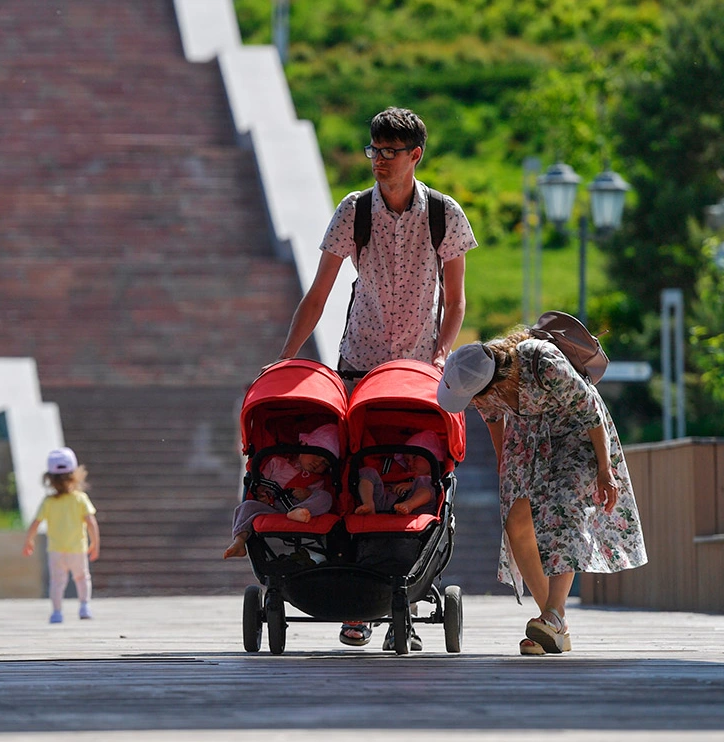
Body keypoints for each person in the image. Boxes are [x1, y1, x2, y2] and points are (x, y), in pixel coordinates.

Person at [276, 106, 479, 647]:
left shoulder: (444, 214)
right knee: (351, 477)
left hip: (415, 373)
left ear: (416, 155)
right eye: (374, 150)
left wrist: (440, 355)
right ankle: (355, 604)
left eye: (390, 153)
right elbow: (318, 294)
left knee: (415, 474)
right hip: (359, 367)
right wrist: (285, 359)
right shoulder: (354, 211)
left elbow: (456, 302)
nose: (379, 161)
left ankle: (403, 599)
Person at [437, 331, 647, 655]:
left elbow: (590, 411)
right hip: (527, 437)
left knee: (562, 512)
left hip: (576, 435)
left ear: (490, 384)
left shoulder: (542, 362)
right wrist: (501, 462)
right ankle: (553, 622)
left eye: (473, 399)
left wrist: (605, 471)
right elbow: (493, 417)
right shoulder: (485, 387)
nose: (473, 405)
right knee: (516, 522)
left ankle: (551, 616)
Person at [223, 423, 340, 559]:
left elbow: (318, 500)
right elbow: (261, 484)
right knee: (246, 507)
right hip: (272, 506)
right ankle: (239, 540)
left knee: (326, 497)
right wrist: (263, 495)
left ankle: (298, 511)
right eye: (316, 455)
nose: (318, 463)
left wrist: (307, 495)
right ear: (303, 444)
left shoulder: (317, 480)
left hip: (303, 511)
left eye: (325, 463)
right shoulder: (276, 463)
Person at [21, 447, 100, 623]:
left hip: (56, 550)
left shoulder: (48, 501)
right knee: (82, 578)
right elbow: (91, 522)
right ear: (75, 474)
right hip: (77, 549)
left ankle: (57, 613)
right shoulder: (80, 498)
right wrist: (95, 543)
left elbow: (35, 523)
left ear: (49, 478)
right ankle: (84, 606)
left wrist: (29, 541)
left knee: (57, 582)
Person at [354, 430, 443, 516]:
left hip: (417, 509)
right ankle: (368, 504)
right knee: (368, 472)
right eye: (407, 460)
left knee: (428, 482)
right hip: (383, 504)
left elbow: (430, 487)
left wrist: (412, 485)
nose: (410, 463)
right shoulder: (402, 473)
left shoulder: (433, 479)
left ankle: (409, 504)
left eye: (415, 457)